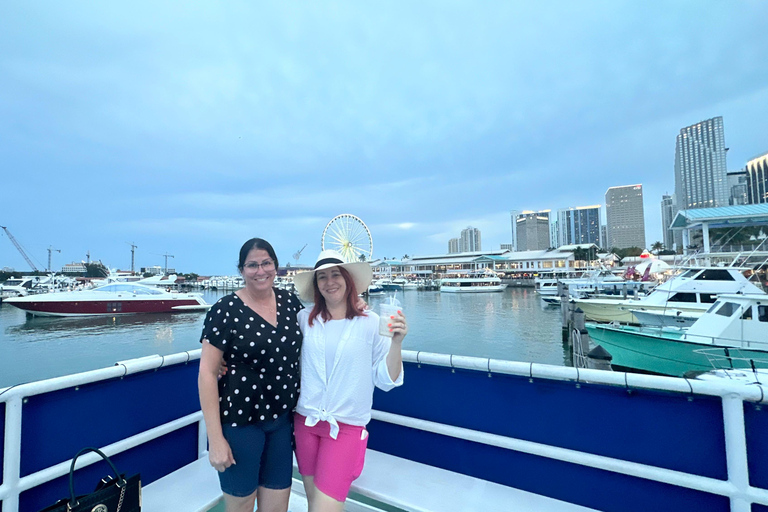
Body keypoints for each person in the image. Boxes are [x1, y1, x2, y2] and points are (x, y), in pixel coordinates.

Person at [292, 250, 407, 511]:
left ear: (348, 279)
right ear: (316, 284)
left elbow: (386, 379)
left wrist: (397, 343)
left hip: (345, 428)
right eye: (322, 277)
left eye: (335, 275)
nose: (329, 282)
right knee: (313, 504)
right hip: (305, 422)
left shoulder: (371, 323)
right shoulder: (304, 319)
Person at [198, 238, 303, 512]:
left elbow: (322, 323)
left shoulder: (290, 303)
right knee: (241, 505)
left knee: (277, 505)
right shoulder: (225, 310)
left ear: (275, 266)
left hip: (281, 422)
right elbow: (208, 374)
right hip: (240, 425)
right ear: (242, 270)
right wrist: (216, 440)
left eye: (266, 263)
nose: (260, 271)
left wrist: (356, 308)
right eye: (252, 265)